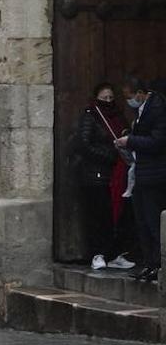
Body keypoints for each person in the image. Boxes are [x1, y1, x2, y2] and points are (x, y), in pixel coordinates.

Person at [75, 83, 134, 271]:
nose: (108, 101)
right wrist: (109, 154)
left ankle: (115, 253)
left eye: (111, 98)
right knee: (100, 215)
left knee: (118, 214)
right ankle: (98, 253)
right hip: (97, 174)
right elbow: (84, 144)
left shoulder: (117, 117)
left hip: (119, 174)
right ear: (96, 98)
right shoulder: (90, 117)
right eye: (104, 98)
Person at [116, 76, 166, 283]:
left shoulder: (158, 108)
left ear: (140, 93)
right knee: (143, 221)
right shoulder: (141, 110)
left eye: (130, 97)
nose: (129, 101)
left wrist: (131, 140)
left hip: (154, 174)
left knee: (153, 221)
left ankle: (158, 264)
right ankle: (149, 263)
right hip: (141, 174)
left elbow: (158, 141)